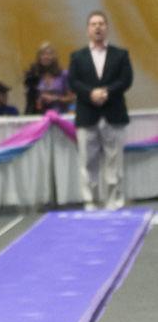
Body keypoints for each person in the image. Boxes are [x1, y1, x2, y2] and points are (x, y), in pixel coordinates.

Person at [68, 11, 133, 211]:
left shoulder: (120, 54)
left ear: (107, 28)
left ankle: (114, 200)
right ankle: (90, 200)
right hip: (87, 114)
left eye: (101, 23)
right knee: (88, 161)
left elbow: (126, 80)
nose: (97, 27)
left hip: (113, 113)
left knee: (115, 161)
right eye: (94, 24)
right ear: (88, 29)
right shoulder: (77, 57)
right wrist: (91, 93)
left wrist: (106, 92)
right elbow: (73, 82)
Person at [23, 42, 73, 114]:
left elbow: (72, 98)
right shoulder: (35, 76)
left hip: (60, 117)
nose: (45, 57)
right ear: (39, 57)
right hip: (40, 117)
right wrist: (38, 100)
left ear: (54, 57)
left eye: (49, 54)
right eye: (42, 54)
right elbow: (31, 100)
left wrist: (55, 98)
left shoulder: (63, 74)